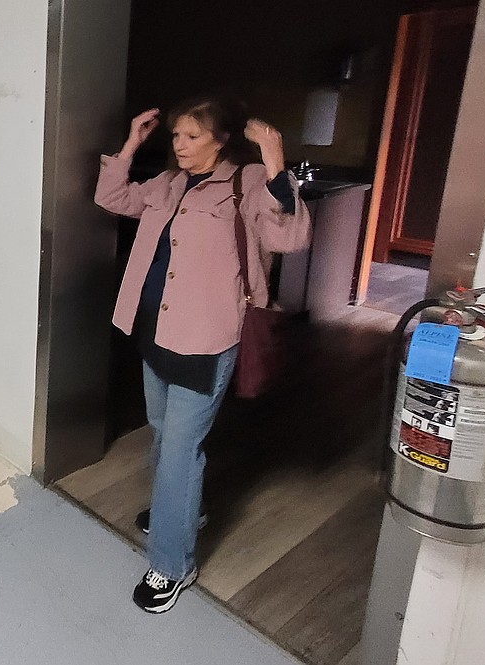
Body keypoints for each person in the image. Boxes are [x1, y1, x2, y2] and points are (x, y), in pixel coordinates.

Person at [94, 98, 311, 614]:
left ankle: (172, 563)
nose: (180, 147)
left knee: (179, 449)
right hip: (155, 328)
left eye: (192, 137)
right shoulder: (168, 184)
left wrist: (275, 155)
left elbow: (292, 234)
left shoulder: (250, 181)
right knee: (163, 429)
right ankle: (183, 510)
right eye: (175, 137)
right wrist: (131, 144)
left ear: (221, 139)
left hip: (207, 337)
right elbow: (113, 197)